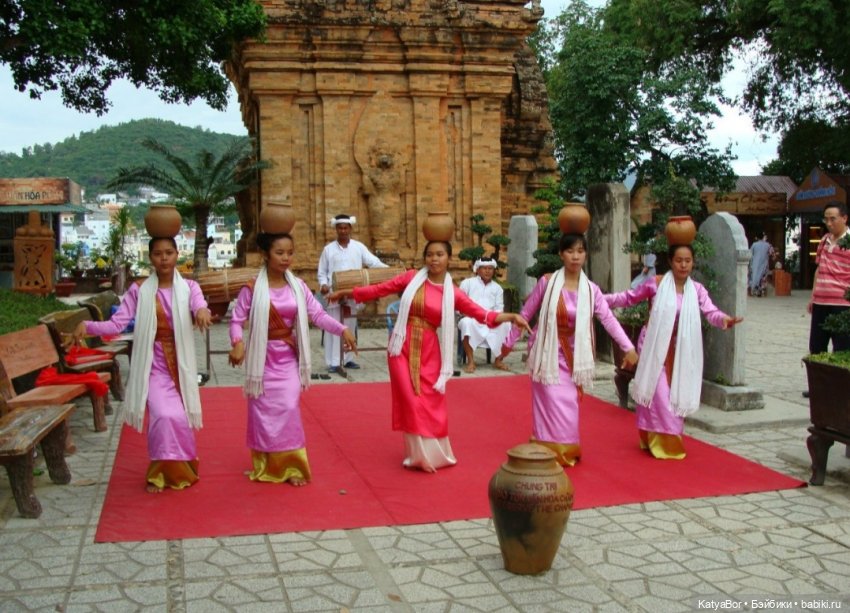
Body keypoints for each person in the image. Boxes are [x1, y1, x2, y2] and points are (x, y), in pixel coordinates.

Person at [329, 240, 530, 473]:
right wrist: (346, 292)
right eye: (430, 254)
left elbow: (482, 314)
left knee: (430, 400)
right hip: (401, 346)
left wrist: (511, 316)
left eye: (440, 254)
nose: (434, 259)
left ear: (448, 258)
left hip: (429, 350)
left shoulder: (453, 292)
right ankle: (418, 456)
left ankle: (435, 453)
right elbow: (379, 289)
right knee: (410, 400)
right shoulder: (411, 278)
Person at [74, 237, 212, 492]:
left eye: (169, 252)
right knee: (163, 415)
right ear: (151, 258)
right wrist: (88, 325)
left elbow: (199, 305)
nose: (164, 258)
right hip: (153, 363)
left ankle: (183, 469)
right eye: (158, 254)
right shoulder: (139, 290)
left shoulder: (189, 287)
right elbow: (117, 324)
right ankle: (159, 474)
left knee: (179, 417)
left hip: (180, 364)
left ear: (177, 254)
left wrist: (202, 312)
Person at [228, 231, 357, 486]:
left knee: (288, 407)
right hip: (262, 359)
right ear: (265, 255)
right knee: (262, 412)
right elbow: (236, 320)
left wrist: (342, 329)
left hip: (287, 357)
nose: (286, 258)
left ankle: (292, 466)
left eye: (290, 253)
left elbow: (317, 315)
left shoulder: (297, 286)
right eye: (279, 253)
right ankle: (266, 464)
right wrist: (237, 343)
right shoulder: (252, 289)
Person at [501, 233, 639, 467]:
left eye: (580, 251)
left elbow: (608, 320)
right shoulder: (547, 283)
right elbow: (525, 315)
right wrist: (507, 344)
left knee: (569, 406)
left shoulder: (591, 290)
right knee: (550, 402)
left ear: (585, 255)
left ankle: (565, 449)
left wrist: (628, 348)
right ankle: (546, 449)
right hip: (547, 354)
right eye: (570, 251)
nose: (575, 256)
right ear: (561, 254)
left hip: (574, 357)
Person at [605, 244, 743, 459]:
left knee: (674, 394)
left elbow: (711, 312)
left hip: (682, 348)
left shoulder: (696, 290)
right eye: (679, 260)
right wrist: (598, 300)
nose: (683, 265)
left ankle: (656, 439)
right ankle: (664, 444)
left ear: (693, 262)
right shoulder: (656, 283)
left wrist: (724, 319)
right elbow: (628, 297)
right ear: (670, 261)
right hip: (654, 345)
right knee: (658, 393)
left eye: (688, 260)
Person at [317, 213, 387, 372]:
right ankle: (334, 362)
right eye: (340, 228)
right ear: (336, 229)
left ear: (350, 229)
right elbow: (322, 272)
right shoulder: (328, 250)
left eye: (345, 228)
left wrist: (390, 271)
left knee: (350, 325)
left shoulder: (358, 247)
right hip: (334, 295)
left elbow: (373, 262)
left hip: (352, 294)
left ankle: (348, 359)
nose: (343, 231)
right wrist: (324, 285)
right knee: (334, 327)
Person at [804, 201, 850, 398]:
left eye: (833, 219)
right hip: (821, 302)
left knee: (842, 347)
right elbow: (819, 268)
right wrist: (813, 295)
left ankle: (840, 388)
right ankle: (818, 386)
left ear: (844, 218)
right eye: (826, 219)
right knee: (817, 346)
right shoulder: (824, 240)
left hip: (842, 304)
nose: (829, 223)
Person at [457, 257, 512, 373]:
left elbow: (499, 309)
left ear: (494, 270)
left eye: (490, 268)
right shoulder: (467, 283)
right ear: (478, 270)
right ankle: (471, 361)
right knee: (466, 323)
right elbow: (459, 304)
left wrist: (492, 318)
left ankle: (498, 360)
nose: (487, 271)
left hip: (490, 320)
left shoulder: (497, 288)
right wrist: (468, 314)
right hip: (471, 318)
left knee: (507, 324)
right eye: (484, 268)